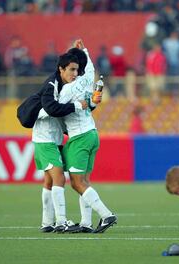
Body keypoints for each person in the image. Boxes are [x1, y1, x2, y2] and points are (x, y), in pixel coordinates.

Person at [58, 40, 117, 233]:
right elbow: (88, 63)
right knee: (84, 181)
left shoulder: (66, 90)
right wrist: (82, 49)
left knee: (76, 182)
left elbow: (54, 109)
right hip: (92, 133)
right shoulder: (88, 75)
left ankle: (107, 215)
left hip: (79, 137)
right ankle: (85, 223)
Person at [33, 50, 88, 233]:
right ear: (61, 69)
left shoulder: (62, 86)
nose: (75, 74)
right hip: (44, 139)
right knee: (59, 177)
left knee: (49, 181)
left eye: (77, 70)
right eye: (71, 70)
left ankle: (47, 222)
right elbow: (52, 109)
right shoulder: (51, 86)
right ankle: (61, 221)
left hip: (52, 139)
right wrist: (77, 106)